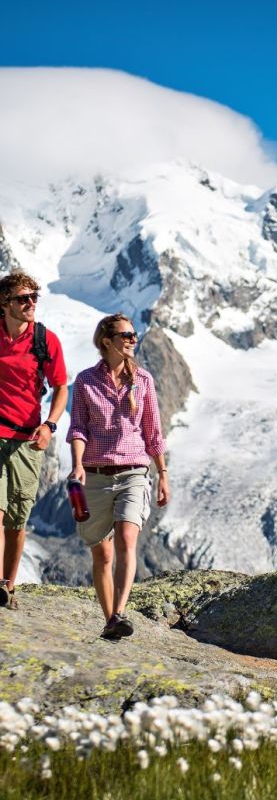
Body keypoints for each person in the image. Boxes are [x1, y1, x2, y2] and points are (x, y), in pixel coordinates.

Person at [67, 313, 170, 640]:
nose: (132, 340)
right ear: (106, 341)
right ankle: (110, 618)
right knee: (102, 552)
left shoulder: (143, 380)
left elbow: (153, 432)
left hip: (134, 472)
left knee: (127, 537)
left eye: (133, 335)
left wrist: (163, 474)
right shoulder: (85, 381)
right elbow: (79, 427)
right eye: (125, 335)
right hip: (95, 475)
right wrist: (77, 465)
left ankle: (121, 612)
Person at [0, 270, 68, 610]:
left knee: (16, 520)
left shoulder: (45, 340)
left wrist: (51, 424)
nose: (30, 304)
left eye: (34, 298)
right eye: (22, 299)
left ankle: (7, 588)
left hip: (28, 440)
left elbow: (60, 387)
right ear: (5, 303)